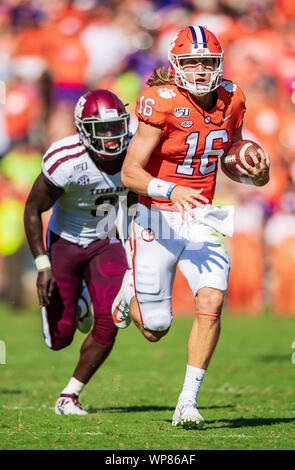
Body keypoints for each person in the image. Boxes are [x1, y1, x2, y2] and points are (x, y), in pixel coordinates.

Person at [112, 25, 269, 429]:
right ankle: (129, 284)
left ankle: (187, 403)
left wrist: (256, 173)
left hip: (200, 215)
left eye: (208, 62)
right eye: (192, 61)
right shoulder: (159, 101)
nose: (201, 70)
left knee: (212, 302)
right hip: (155, 215)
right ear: (175, 64)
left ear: (219, 64)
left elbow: (226, 160)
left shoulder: (233, 98)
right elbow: (130, 173)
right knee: (155, 329)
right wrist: (171, 189)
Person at [24, 89, 134, 415]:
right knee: (58, 339)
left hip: (108, 241)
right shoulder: (65, 160)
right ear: (83, 130)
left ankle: (69, 395)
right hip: (66, 242)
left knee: (111, 318)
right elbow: (32, 209)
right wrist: (42, 264)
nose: (113, 137)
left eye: (117, 127)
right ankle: (81, 299)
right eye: (103, 130)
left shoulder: (135, 152)